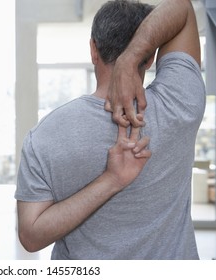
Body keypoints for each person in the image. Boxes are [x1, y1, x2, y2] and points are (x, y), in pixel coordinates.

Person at [15, 0, 206, 260]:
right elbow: (182, 8)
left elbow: (31, 235)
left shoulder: (44, 136)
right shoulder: (179, 104)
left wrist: (110, 181)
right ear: (150, 58)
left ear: (93, 49)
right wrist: (132, 56)